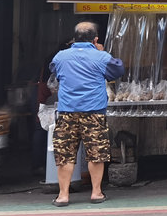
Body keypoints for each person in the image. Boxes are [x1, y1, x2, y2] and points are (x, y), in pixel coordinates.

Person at [49, 22, 124, 206]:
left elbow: (55, 72)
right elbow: (118, 70)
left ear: (74, 39)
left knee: (65, 154)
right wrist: (100, 52)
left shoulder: (60, 57)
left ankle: (63, 195)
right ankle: (96, 192)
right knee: (96, 153)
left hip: (67, 112)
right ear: (96, 39)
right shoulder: (101, 57)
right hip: (94, 112)